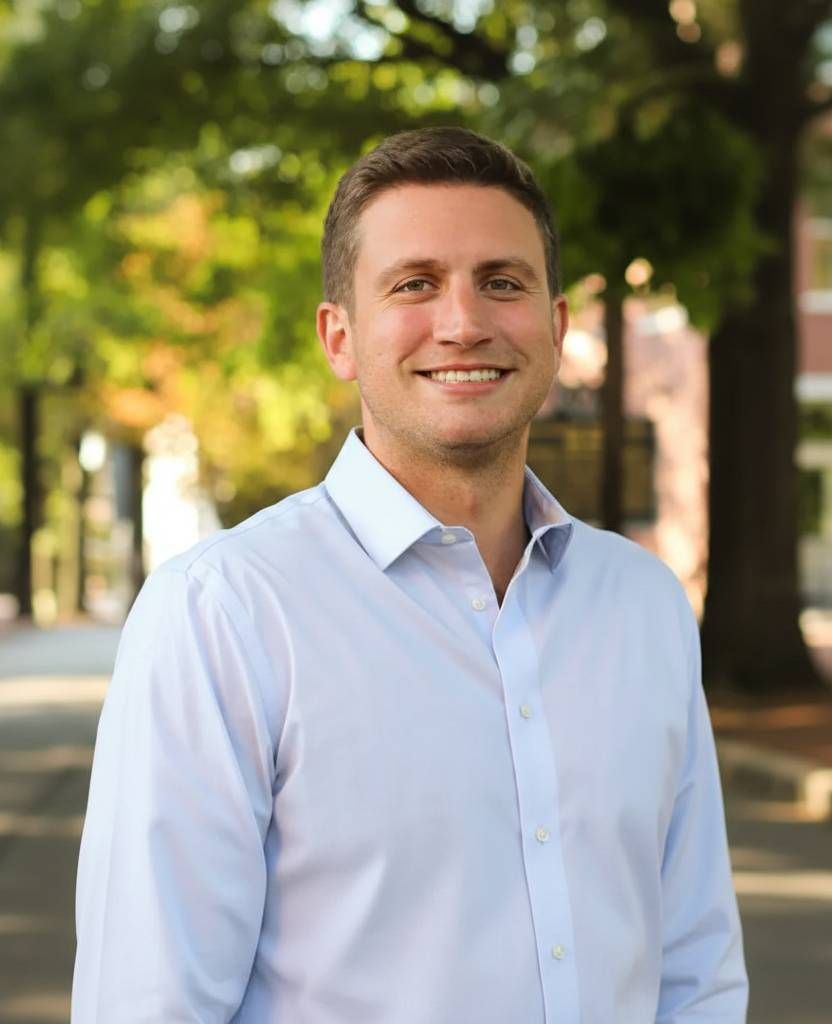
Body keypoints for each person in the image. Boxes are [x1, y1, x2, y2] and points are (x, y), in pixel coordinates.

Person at [72, 126, 748, 1023]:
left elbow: (695, 970)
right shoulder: (223, 614)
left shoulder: (644, 605)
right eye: (414, 284)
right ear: (339, 337)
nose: (463, 322)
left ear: (554, 329)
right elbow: (148, 1001)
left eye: (501, 282)